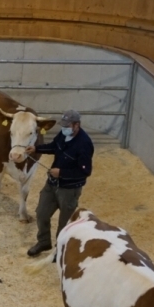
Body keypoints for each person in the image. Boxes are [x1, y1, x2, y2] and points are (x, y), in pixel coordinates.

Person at [25, 110, 94, 257]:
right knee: (41, 213)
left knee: (64, 223)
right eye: (63, 125)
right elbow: (54, 147)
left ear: (77, 125)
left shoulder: (84, 144)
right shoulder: (63, 135)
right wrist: (37, 149)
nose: (64, 128)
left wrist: (62, 173)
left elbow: (85, 171)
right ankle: (44, 241)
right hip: (52, 184)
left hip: (69, 190)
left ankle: (60, 250)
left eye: (68, 125)